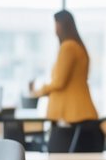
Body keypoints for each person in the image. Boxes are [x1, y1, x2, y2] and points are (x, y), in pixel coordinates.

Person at [30, 10, 101, 152]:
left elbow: (59, 82)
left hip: (70, 116)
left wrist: (39, 91)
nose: (54, 29)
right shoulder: (79, 46)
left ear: (61, 25)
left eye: (56, 24)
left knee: (58, 159)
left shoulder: (68, 47)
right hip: (81, 112)